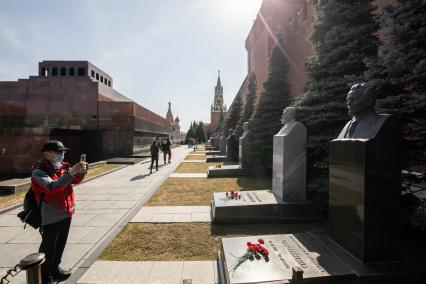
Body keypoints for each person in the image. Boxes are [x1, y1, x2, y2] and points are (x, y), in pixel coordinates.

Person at [31, 140, 87, 284]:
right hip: (51, 216)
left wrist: (80, 173)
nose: (61, 155)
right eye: (58, 152)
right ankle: (45, 276)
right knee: (48, 248)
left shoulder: (62, 167)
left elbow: (73, 181)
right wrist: (72, 172)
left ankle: (55, 269)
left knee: (60, 245)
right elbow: (52, 187)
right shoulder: (39, 172)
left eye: (62, 152)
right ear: (46, 154)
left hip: (66, 212)